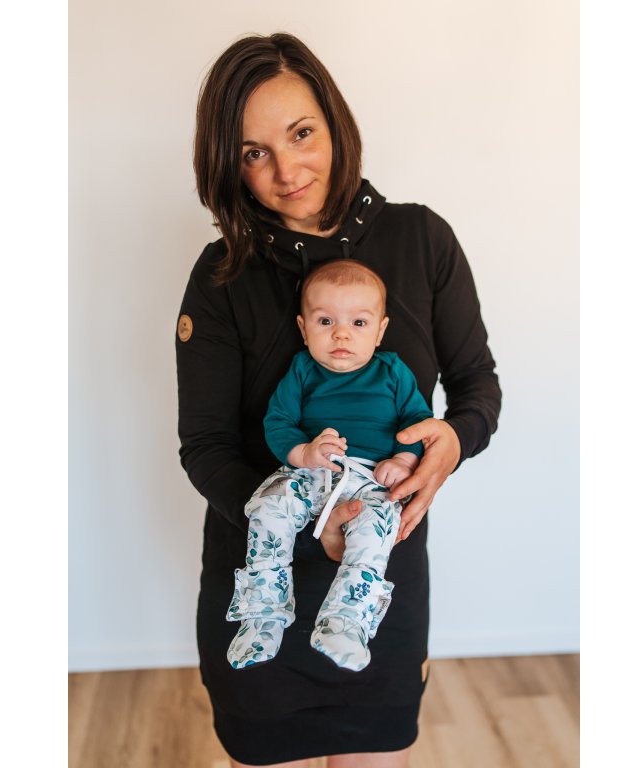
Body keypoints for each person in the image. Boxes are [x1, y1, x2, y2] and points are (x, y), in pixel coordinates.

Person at [177, 32, 501, 768]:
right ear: (228, 163)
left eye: (301, 134)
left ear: (335, 122)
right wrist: (310, 525)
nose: (287, 171)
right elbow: (206, 449)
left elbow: (476, 385)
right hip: (261, 579)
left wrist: (453, 441)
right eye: (254, 152)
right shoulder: (222, 277)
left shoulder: (422, 240)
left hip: (381, 581)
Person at [227, 260, 433, 673]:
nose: (341, 334)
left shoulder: (393, 371)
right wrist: (304, 453)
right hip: (307, 472)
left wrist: (402, 459)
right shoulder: (303, 369)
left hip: (370, 479)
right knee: (266, 507)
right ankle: (263, 616)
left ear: (380, 330)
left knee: (377, 532)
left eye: (358, 323)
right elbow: (278, 422)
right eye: (325, 321)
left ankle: (346, 623)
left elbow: (417, 422)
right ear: (303, 329)